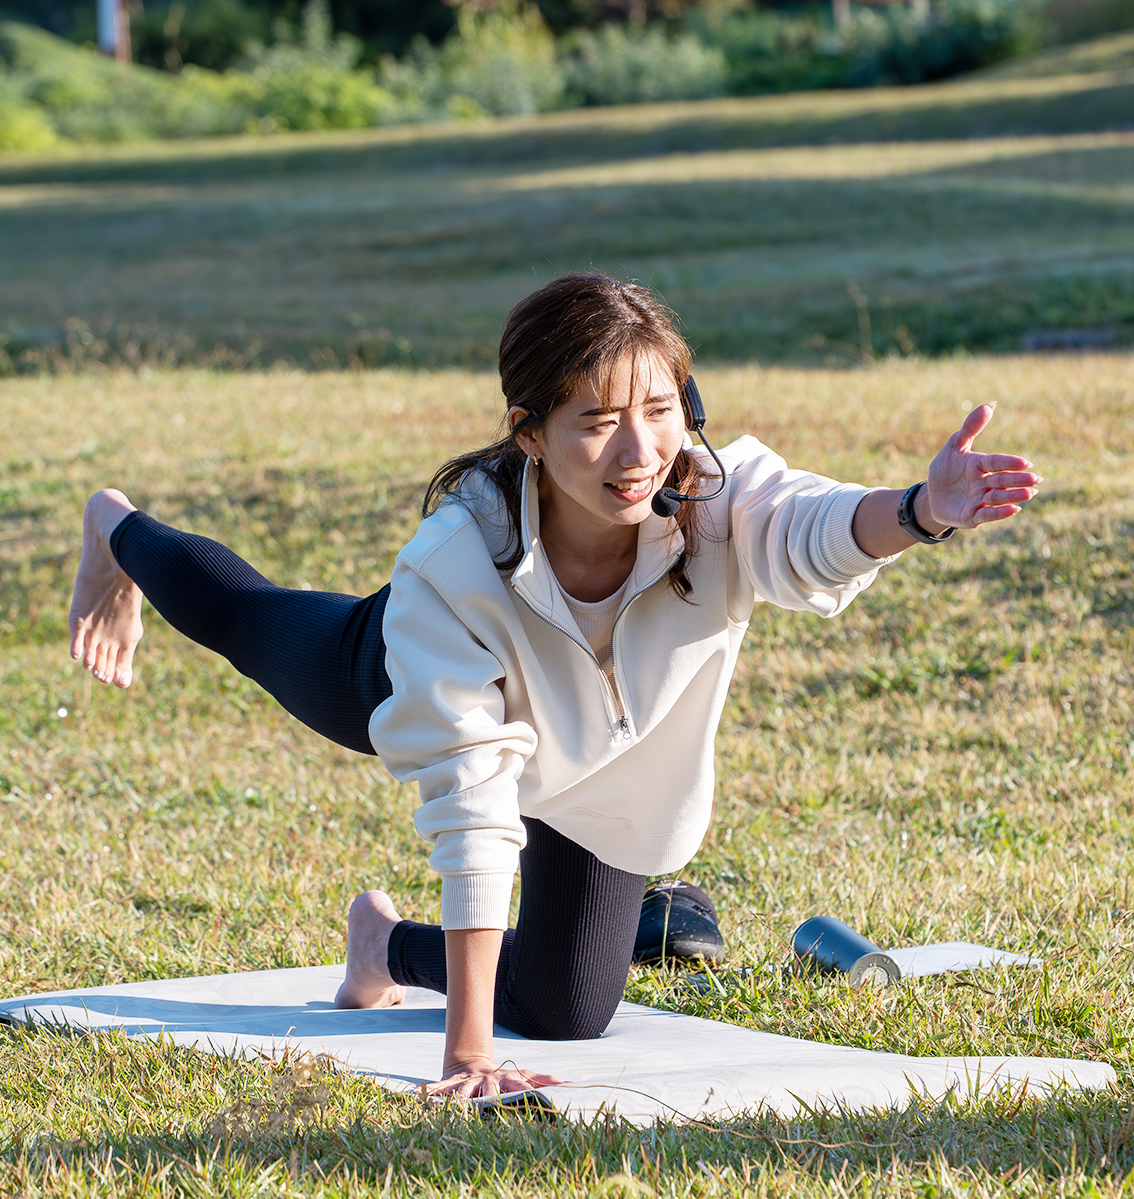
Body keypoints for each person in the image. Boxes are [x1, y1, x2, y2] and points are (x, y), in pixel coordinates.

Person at [68, 273, 1039, 1100]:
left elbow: (809, 530)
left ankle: (380, 944)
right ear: (529, 431)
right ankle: (117, 530)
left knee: (566, 1014)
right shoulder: (455, 565)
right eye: (598, 422)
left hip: (601, 781)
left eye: (658, 413)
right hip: (401, 675)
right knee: (251, 621)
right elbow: (474, 802)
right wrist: (468, 1053)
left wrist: (919, 510)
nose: (637, 453)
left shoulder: (713, 500)